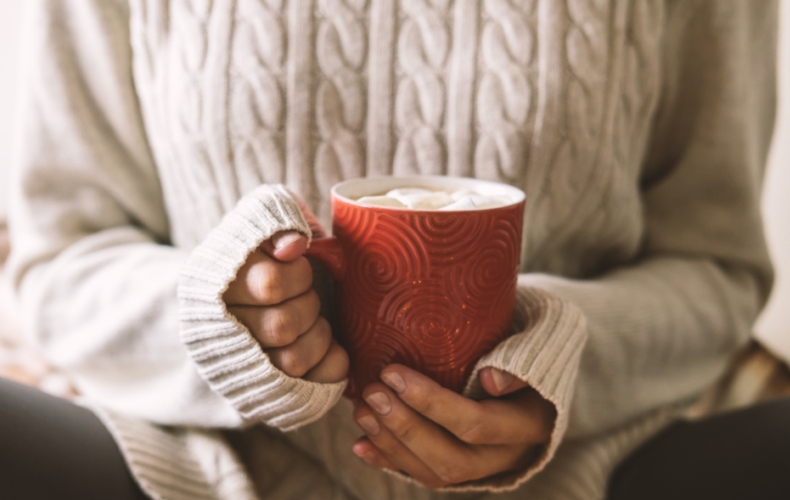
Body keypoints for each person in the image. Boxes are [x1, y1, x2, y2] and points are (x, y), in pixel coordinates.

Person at [3, 0, 786, 498]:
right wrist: (216, 322)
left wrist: (559, 357)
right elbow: (60, 260)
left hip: (593, 469)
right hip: (191, 468)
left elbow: (715, 269)